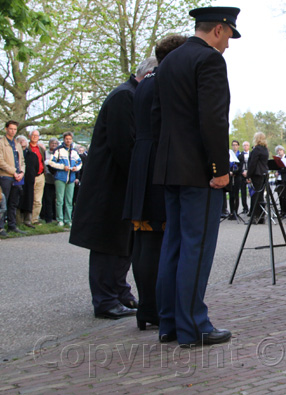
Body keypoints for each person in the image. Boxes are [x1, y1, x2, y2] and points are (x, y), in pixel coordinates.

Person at [152, 6, 240, 347]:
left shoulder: (170, 60)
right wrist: (219, 170)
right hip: (199, 172)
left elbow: (158, 118)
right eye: (229, 36)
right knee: (196, 248)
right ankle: (194, 326)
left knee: (173, 245)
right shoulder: (210, 61)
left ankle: (170, 322)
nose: (229, 45)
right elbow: (214, 120)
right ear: (219, 29)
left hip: (172, 168)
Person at [69, 57, 157, 320]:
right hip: (109, 185)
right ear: (150, 75)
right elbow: (124, 145)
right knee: (108, 241)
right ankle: (106, 300)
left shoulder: (130, 95)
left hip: (119, 183)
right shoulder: (124, 97)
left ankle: (119, 291)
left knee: (123, 241)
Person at [123, 34, 187, 331]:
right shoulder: (165, 81)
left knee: (145, 239)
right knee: (158, 239)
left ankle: (147, 307)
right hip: (158, 163)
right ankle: (158, 307)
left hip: (141, 160)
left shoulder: (144, 82)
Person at [48, 132, 82, 226]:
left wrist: (76, 168)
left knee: (69, 200)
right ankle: (60, 219)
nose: (68, 140)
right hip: (61, 177)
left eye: (70, 139)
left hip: (71, 178)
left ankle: (68, 219)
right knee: (59, 200)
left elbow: (79, 163)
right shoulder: (58, 150)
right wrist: (62, 167)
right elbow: (51, 162)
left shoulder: (74, 151)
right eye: (66, 139)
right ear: (64, 139)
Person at [0, 121, 26, 234]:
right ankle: (1, 227)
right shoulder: (1, 143)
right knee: (3, 203)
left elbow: (22, 161)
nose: (13, 131)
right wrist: (13, 172)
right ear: (6, 129)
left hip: (17, 178)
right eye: (11, 129)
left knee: (13, 203)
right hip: (6, 176)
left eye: (15, 129)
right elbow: (1, 161)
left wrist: (21, 172)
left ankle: (12, 225)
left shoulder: (17, 144)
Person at [245, 132, 269, 224]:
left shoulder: (256, 149)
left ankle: (254, 217)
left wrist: (248, 175)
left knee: (255, 196)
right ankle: (261, 217)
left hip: (256, 174)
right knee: (260, 196)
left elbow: (252, 164)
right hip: (263, 174)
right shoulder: (265, 149)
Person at [16, 135, 37, 228]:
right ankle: (18, 220)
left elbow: (36, 167)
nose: (22, 142)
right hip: (18, 179)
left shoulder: (32, 155)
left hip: (29, 180)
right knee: (17, 199)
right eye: (20, 141)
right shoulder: (15, 154)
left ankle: (27, 220)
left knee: (28, 199)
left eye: (23, 140)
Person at [28, 130, 47, 225]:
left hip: (40, 176)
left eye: (37, 135)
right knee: (29, 198)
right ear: (29, 136)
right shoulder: (27, 148)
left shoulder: (41, 149)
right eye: (33, 135)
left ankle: (34, 219)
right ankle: (27, 219)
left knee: (38, 200)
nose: (35, 137)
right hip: (30, 177)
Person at [40, 138, 59, 223]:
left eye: (55, 143)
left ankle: (56, 216)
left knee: (57, 199)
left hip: (57, 179)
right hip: (47, 178)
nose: (54, 145)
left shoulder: (58, 153)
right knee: (47, 199)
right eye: (52, 143)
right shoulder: (45, 153)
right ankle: (48, 218)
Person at [228, 140, 243, 220]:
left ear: (238, 146)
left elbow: (240, 167)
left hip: (237, 177)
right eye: (233, 145)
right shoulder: (229, 155)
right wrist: (229, 172)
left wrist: (234, 172)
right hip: (230, 176)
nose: (234, 146)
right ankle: (231, 212)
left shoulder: (240, 155)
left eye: (236, 145)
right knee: (231, 195)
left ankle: (235, 212)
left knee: (236, 194)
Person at [238, 141, 251, 214]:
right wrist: (242, 171)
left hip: (249, 174)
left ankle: (252, 207)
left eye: (247, 145)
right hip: (242, 174)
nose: (245, 146)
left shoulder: (251, 154)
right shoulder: (240, 155)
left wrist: (248, 172)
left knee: (251, 191)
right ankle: (245, 207)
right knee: (243, 192)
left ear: (249, 146)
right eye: (244, 145)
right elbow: (238, 165)